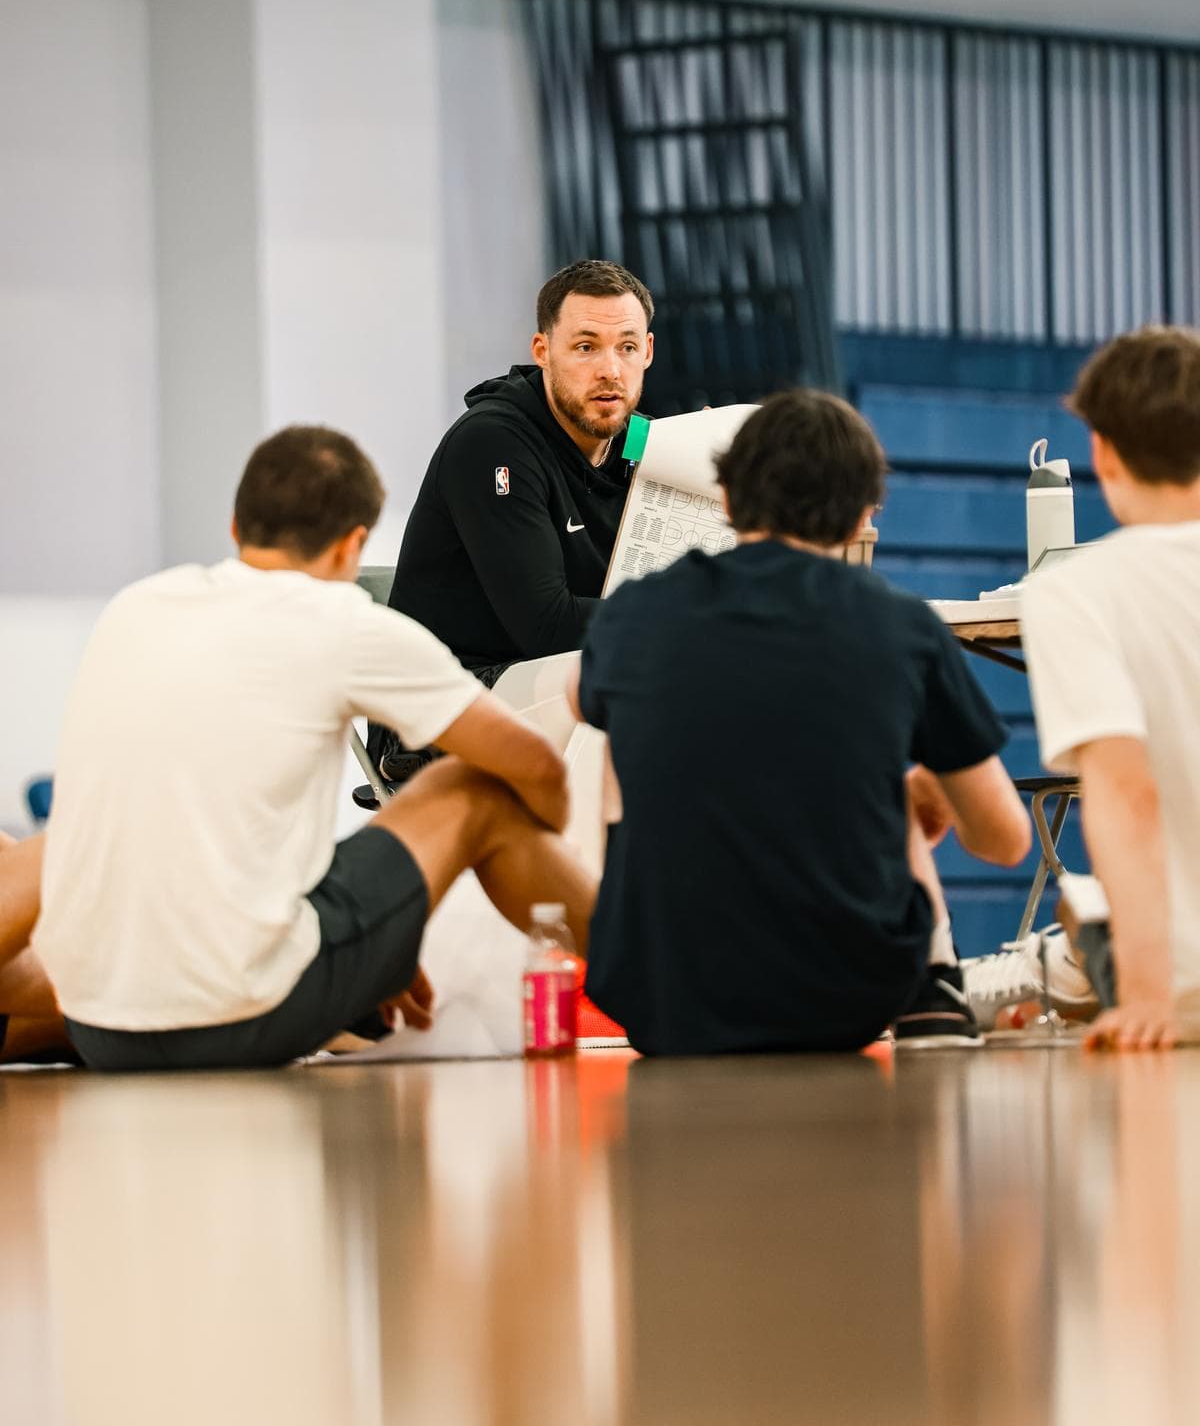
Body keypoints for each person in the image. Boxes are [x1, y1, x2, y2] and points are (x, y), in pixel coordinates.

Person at [0, 426, 594, 1071]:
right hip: (245, 1015)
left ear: (236, 527)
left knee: (50, 849)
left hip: (98, 1024)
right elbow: (533, 762)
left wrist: (375, 939)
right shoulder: (350, 626)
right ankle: (646, 983)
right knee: (471, 790)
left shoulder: (136, 607)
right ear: (352, 546)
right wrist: (546, 829)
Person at [568, 388, 1031, 1057]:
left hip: (662, 1001)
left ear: (725, 498)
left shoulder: (634, 613)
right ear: (863, 515)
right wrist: (921, 793)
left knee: (623, 737)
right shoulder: (902, 624)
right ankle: (935, 990)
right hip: (850, 996)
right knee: (895, 789)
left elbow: (583, 701)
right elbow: (1005, 841)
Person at [985, 326, 1200, 1053]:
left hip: (1182, 986)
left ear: (1102, 451)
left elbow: (1125, 794)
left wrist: (1145, 996)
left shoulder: (1076, 593)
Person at [369, 260, 654, 784]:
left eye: (627, 348)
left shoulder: (648, 448)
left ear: (648, 353)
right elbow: (547, 627)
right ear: (543, 352)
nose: (610, 369)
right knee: (624, 671)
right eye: (586, 346)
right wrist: (689, 617)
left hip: (545, 690)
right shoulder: (493, 442)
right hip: (441, 711)